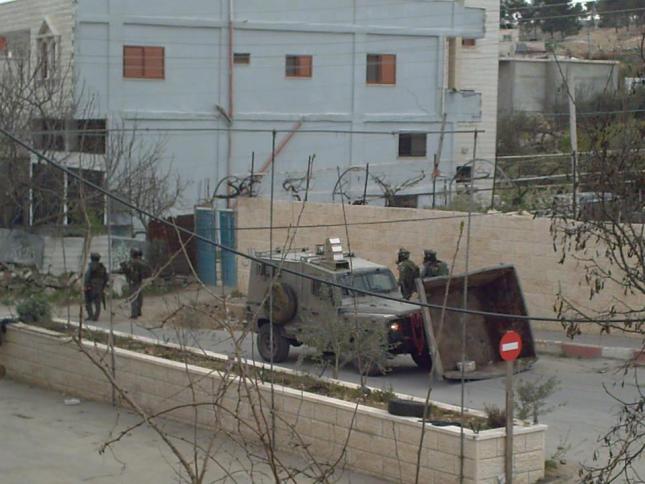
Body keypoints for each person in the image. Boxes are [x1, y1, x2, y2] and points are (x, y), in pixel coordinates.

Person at [121, 248, 150, 319]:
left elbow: (124, 270)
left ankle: (134, 314)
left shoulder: (131, 262)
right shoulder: (142, 262)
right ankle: (138, 311)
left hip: (133, 282)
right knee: (139, 297)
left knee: (133, 298)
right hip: (139, 281)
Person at [84, 253, 109, 321]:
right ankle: (96, 317)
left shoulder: (91, 266)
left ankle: (90, 315)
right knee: (97, 302)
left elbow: (87, 276)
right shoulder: (102, 267)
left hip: (91, 287)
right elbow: (106, 278)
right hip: (99, 287)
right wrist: (103, 286)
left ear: (92, 258)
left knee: (88, 301)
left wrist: (86, 285)